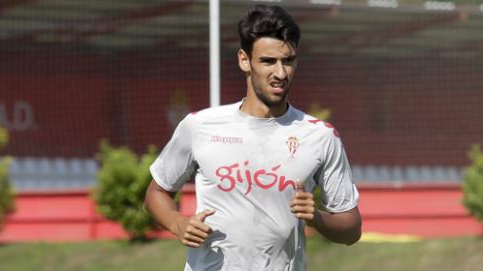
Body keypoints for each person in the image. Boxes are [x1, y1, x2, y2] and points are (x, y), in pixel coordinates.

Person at [144, 4, 362, 271]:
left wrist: (316, 218)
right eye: (268, 61)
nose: (280, 73)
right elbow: (156, 193)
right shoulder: (199, 126)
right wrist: (179, 224)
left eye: (288, 60)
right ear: (244, 60)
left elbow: (351, 229)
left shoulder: (320, 135)